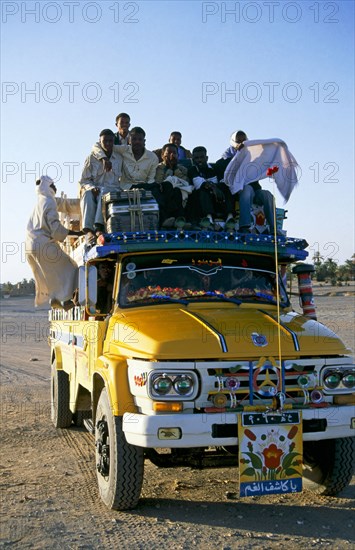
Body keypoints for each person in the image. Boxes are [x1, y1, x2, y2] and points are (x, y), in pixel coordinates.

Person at [26, 176, 82, 309]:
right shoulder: (49, 202)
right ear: (47, 187)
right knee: (71, 267)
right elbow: (56, 229)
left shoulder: (41, 201)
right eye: (53, 185)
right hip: (43, 244)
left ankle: (55, 297)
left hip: (29, 246)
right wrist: (76, 233)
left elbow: (66, 204)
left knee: (49, 273)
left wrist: (84, 202)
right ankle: (65, 300)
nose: (55, 188)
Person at [217, 131, 276, 234]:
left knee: (267, 195)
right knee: (246, 189)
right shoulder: (225, 160)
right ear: (233, 143)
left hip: (255, 191)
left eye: (244, 141)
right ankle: (244, 226)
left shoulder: (254, 158)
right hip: (238, 192)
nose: (242, 144)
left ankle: (273, 228)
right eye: (238, 141)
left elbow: (263, 168)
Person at [79, 129, 122, 242]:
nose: (108, 144)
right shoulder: (91, 158)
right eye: (105, 141)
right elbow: (84, 180)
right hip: (96, 190)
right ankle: (88, 230)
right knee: (87, 194)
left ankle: (99, 227)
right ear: (100, 142)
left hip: (113, 191)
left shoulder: (119, 158)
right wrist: (92, 188)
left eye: (110, 141)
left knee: (104, 191)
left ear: (114, 142)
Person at [92, 126, 159, 190]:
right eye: (134, 139)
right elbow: (97, 145)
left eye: (140, 139)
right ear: (129, 141)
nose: (137, 142)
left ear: (144, 141)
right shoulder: (124, 150)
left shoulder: (153, 157)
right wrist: (104, 158)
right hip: (125, 188)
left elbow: (151, 179)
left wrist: (145, 189)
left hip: (146, 188)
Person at [187, 146, 234, 230]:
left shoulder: (215, 168)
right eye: (196, 158)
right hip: (201, 201)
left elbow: (224, 181)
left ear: (207, 158)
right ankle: (209, 220)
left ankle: (230, 218)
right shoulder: (192, 170)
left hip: (218, 199)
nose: (199, 160)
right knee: (202, 190)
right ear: (193, 160)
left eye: (202, 157)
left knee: (225, 187)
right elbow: (199, 183)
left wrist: (217, 188)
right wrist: (214, 188)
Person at [154, 143, 193, 228]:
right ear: (163, 155)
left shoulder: (182, 169)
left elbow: (186, 182)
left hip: (180, 194)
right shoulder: (158, 168)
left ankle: (180, 220)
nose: (172, 155)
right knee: (167, 185)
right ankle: (167, 219)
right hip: (163, 194)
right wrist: (168, 171)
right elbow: (158, 182)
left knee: (177, 191)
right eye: (169, 152)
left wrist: (175, 170)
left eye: (174, 153)